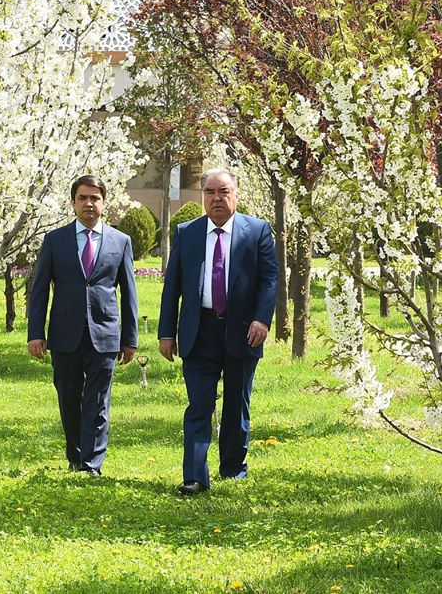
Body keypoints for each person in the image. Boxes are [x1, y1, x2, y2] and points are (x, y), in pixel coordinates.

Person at [158, 168, 278, 496]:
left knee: (237, 404)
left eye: (223, 191)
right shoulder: (187, 232)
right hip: (199, 331)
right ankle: (195, 476)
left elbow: (270, 279)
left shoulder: (257, 231)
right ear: (203, 197)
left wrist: (262, 319)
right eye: (209, 192)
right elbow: (172, 288)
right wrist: (166, 332)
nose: (216, 198)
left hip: (243, 330)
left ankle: (233, 468)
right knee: (199, 405)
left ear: (235, 195)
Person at [28, 175, 138, 475]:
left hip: (105, 333)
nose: (89, 203)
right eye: (83, 198)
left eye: (95, 198)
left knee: (98, 401)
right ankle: (76, 457)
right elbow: (39, 290)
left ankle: (92, 463)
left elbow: (129, 293)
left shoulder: (120, 241)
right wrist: (35, 333)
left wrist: (130, 339)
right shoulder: (55, 240)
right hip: (65, 335)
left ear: (104, 202)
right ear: (73, 203)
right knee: (69, 398)